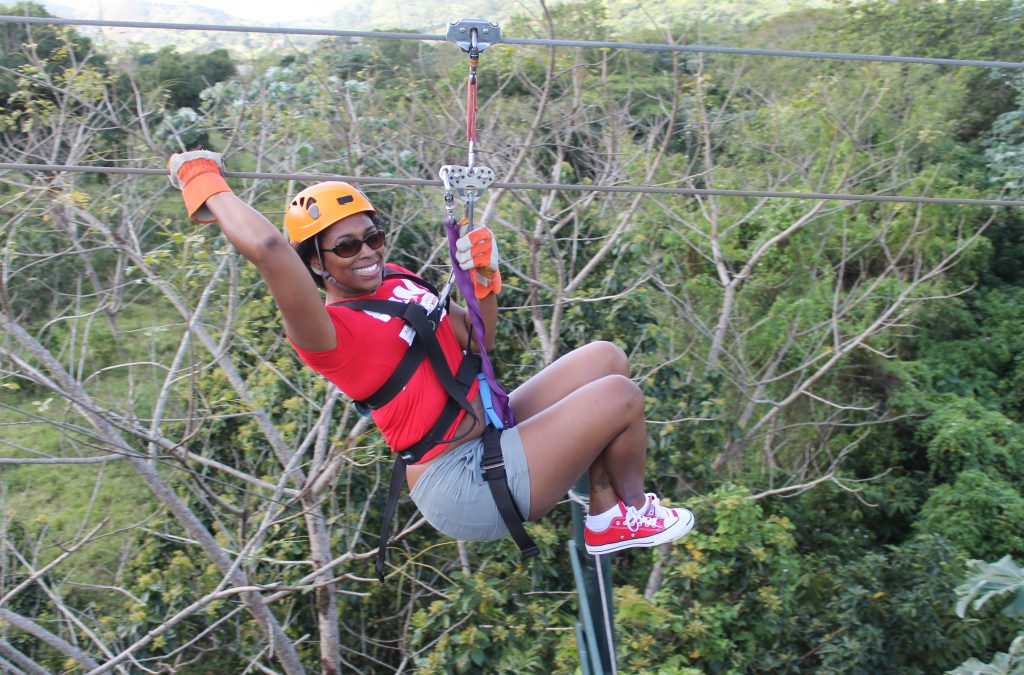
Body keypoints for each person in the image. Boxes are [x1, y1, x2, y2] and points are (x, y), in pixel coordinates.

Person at [167, 150, 694, 566]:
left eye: (372, 236)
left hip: (492, 428)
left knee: (606, 359)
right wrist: (202, 181)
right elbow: (269, 248)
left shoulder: (395, 281)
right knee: (620, 399)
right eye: (346, 248)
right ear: (316, 265)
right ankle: (626, 514)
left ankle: (603, 506)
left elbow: (479, 338)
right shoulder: (328, 334)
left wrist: (483, 282)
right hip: (461, 482)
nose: (368, 252)